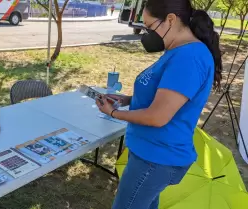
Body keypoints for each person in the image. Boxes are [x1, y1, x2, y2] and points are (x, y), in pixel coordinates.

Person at [95, 0, 222, 208]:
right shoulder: (176, 50)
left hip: (155, 158)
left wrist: (114, 113)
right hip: (150, 155)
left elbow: (158, 116)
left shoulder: (189, 57)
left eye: (150, 26)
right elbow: (163, 97)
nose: (146, 33)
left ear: (170, 20)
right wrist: (128, 100)